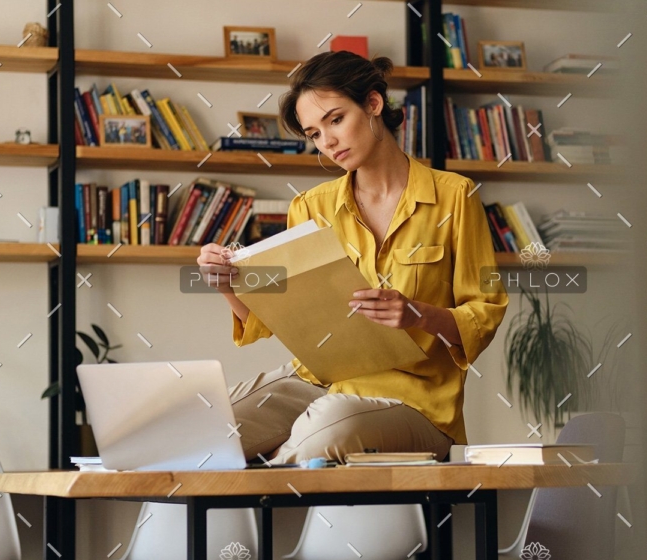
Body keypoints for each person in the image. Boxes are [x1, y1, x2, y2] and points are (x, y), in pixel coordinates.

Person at [196, 51, 508, 464]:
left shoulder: (456, 195)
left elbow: (484, 311)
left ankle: (273, 469)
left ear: (374, 104)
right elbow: (276, 317)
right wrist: (226, 285)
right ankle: (268, 469)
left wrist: (417, 315)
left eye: (335, 120)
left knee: (326, 426)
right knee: (203, 427)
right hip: (319, 382)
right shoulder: (309, 207)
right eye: (313, 133)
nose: (327, 141)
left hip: (417, 400)